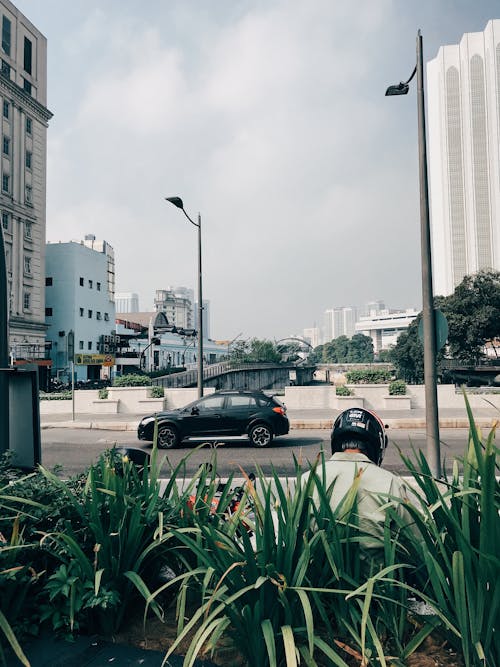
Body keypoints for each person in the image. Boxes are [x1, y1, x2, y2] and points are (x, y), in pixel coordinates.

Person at [303, 407, 416, 559]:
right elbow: (415, 545)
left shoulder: (307, 480)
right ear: (378, 445)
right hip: (378, 581)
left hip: (317, 582)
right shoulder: (390, 483)